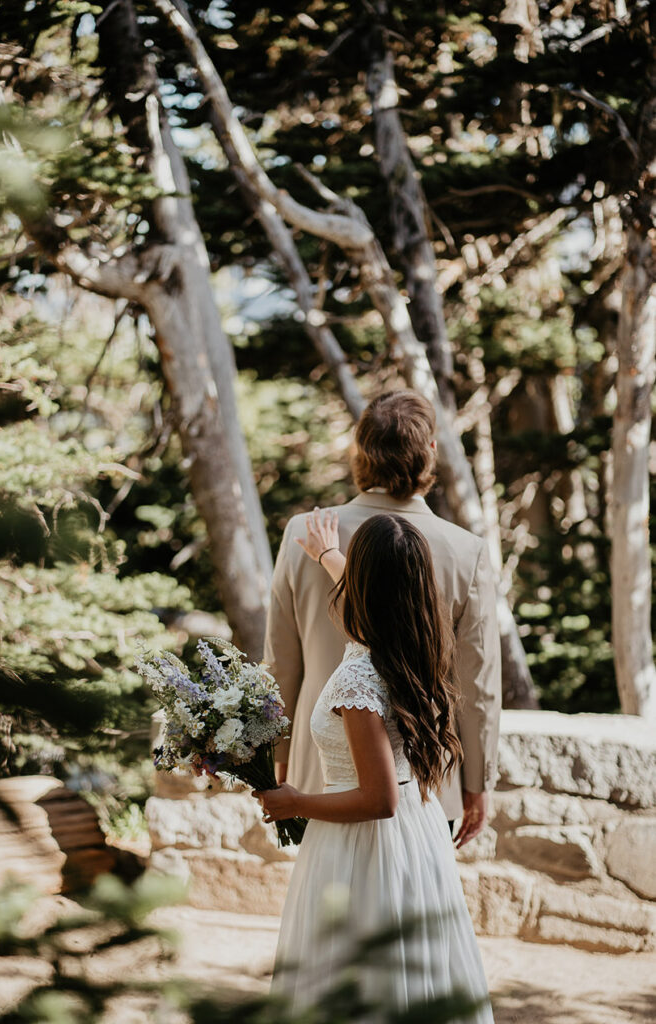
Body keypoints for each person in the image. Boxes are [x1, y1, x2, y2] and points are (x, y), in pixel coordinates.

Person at [254, 512, 494, 1019]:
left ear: (361, 585)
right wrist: (327, 555)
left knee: (358, 980)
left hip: (363, 847)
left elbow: (377, 799)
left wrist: (294, 801)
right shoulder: (413, 642)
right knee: (412, 975)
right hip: (418, 830)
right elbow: (385, 589)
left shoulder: (357, 682)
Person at [264, 390, 501, 844]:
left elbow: (281, 659)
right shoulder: (464, 552)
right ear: (430, 452)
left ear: (360, 451)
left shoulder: (304, 533)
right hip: (426, 776)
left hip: (318, 768)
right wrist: (477, 782)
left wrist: (279, 751)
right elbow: (479, 682)